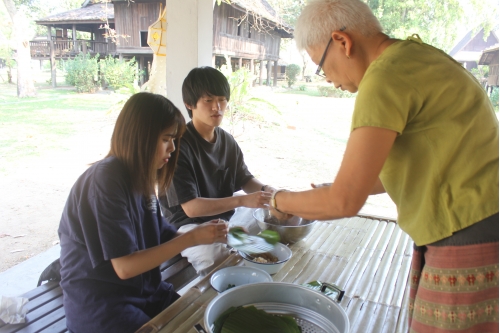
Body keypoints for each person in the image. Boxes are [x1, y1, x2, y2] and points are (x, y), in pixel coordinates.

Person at [268, 1, 499, 332]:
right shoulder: (415, 57)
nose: (328, 79)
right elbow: (401, 167)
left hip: (464, 230)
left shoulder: (384, 77)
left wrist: (279, 200)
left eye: (322, 65)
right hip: (474, 222)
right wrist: (342, 187)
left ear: (342, 42)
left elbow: (344, 202)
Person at [58, 92, 228, 333]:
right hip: (103, 304)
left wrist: (208, 232)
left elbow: (163, 237)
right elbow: (124, 267)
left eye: (174, 139)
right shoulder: (105, 179)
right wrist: (192, 238)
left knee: (203, 318)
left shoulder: (140, 177)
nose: (172, 148)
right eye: (166, 139)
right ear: (141, 137)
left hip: (145, 292)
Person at [160, 66, 274, 228]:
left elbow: (245, 180)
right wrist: (242, 200)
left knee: (264, 217)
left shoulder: (227, 141)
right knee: (212, 251)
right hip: (187, 225)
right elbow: (191, 209)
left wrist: (269, 192)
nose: (217, 107)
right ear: (189, 104)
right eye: (208, 100)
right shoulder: (177, 145)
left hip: (223, 219)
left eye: (222, 99)